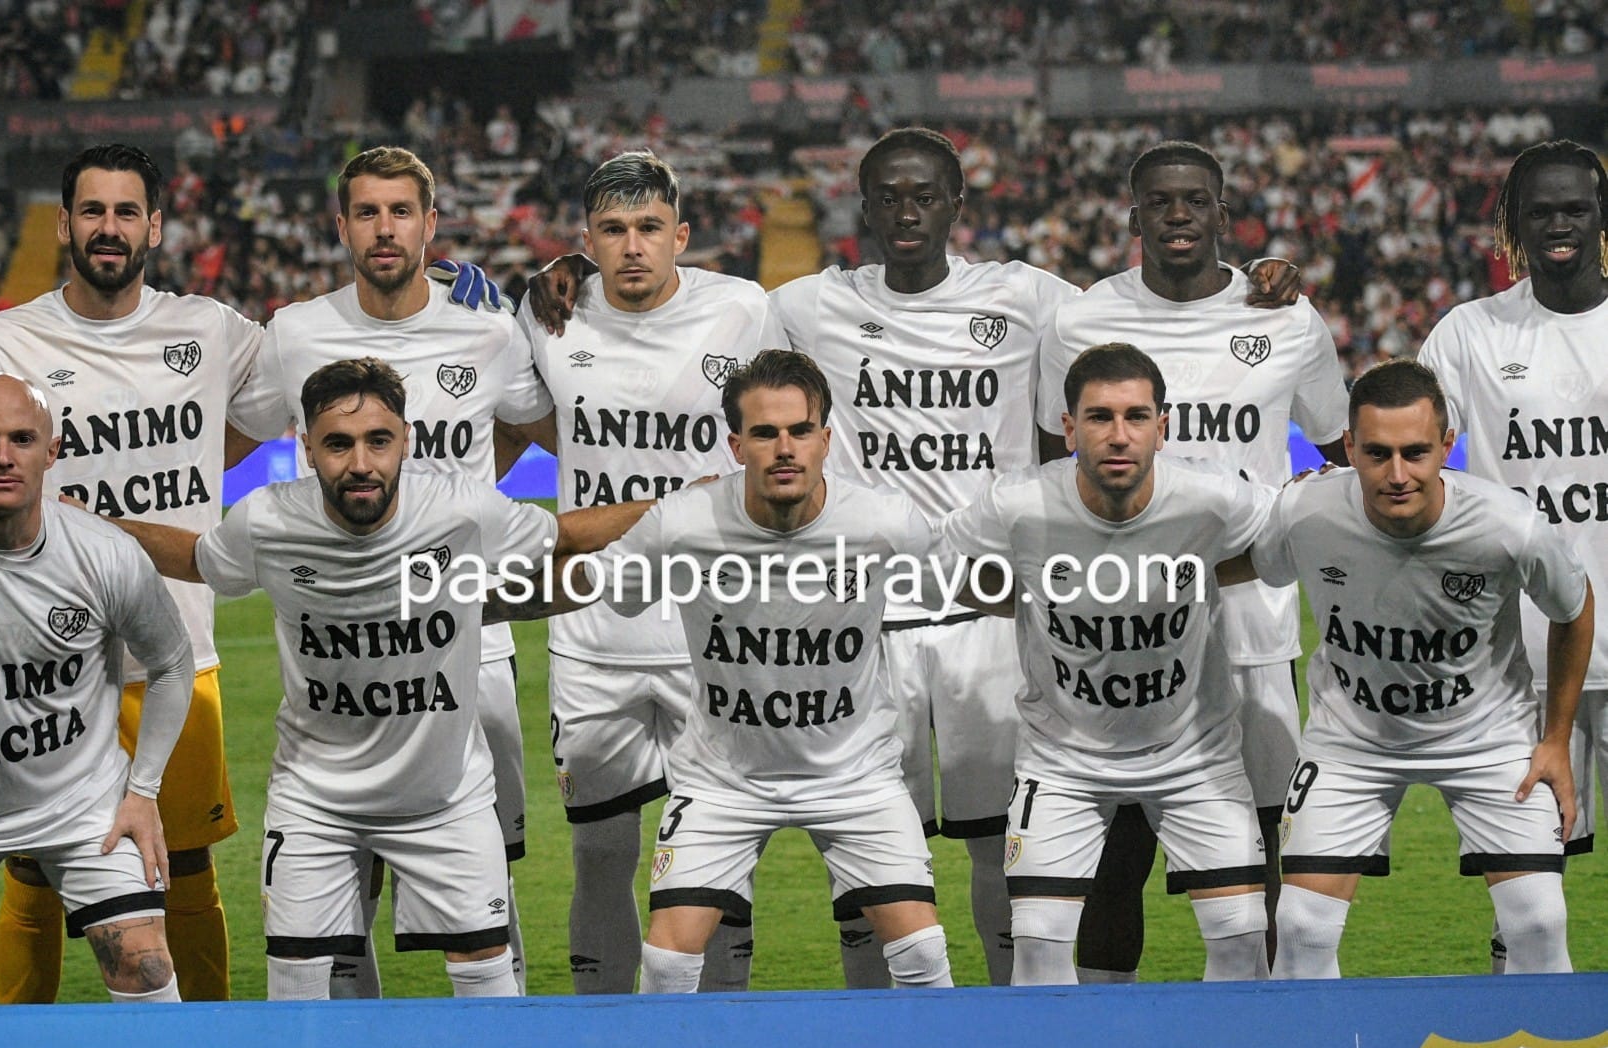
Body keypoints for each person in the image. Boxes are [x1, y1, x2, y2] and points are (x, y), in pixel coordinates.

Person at [526, 127, 1301, 988]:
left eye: (925, 195)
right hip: (876, 609)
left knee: (991, 843)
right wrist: (572, 266)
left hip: (982, 609)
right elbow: (670, 295)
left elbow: (1144, 300)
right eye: (888, 197)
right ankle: (878, 1026)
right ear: (861, 209)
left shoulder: (1030, 297)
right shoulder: (802, 305)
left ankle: (1010, 1022)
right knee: (865, 858)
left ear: (956, 206)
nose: (906, 212)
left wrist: (1247, 286)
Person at [104, 357, 649, 1000]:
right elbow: (194, 558)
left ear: (406, 442)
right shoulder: (267, 521)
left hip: (446, 800)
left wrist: (679, 509)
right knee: (299, 1003)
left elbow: (561, 536)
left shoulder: (460, 509)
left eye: (377, 441)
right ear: (305, 448)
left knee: (490, 994)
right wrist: (83, 525)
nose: (360, 463)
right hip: (317, 805)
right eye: (337, 444)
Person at [490, 349, 955, 993]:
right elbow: (584, 581)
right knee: (668, 965)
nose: (783, 448)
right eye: (764, 433)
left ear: (827, 438)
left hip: (856, 777)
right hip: (722, 783)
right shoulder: (685, 522)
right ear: (736, 445)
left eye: (799, 431)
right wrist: (470, 603)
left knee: (925, 956)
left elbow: (970, 583)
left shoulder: (884, 522)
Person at [241, 145, 553, 996]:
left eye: (401, 211)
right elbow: (242, 434)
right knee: (343, 883)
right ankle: (352, 1044)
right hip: (345, 636)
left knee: (487, 877)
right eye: (368, 213)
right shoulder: (297, 330)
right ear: (342, 227)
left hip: (470, 648)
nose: (386, 228)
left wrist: (466, 499)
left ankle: (499, 1046)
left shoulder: (487, 328)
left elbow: (535, 420)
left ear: (431, 224)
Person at [1034, 141, 1349, 981]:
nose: (1179, 215)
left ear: (1222, 210)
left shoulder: (1283, 315)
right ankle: (1106, 1028)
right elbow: (1047, 459)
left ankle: (1272, 1023)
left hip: (1252, 623)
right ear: (1133, 216)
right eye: (1161, 202)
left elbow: (1339, 448)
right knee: (1118, 847)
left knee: (1262, 836)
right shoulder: (1082, 319)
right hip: (1119, 624)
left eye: (1196, 200)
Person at [0, 144, 269, 1002]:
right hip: (40, 666)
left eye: (125, 212)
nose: (107, 228)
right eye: (91, 211)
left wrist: (197, 473)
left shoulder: (210, 329)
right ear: (67, 222)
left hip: (174, 653)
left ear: (155, 225)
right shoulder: (7, 338)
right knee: (33, 877)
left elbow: (305, 392)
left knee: (181, 870)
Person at [506, 150, 787, 994]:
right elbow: (535, 426)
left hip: (711, 635)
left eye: (650, 229)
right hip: (594, 638)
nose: (633, 247)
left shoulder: (742, 310)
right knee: (599, 851)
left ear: (683, 235)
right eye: (614, 230)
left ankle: (722, 1032)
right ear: (585, 241)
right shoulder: (550, 312)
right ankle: (605, 1035)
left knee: (720, 849)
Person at [1240, 360, 1592, 978]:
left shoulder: (1507, 525)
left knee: (1539, 920)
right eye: (1376, 454)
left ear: (1447, 446)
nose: (1397, 475)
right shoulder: (1305, 511)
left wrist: (1556, 739)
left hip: (1489, 739)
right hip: (1351, 742)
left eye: (1416, 453)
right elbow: (1259, 567)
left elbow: (1574, 605)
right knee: (1298, 926)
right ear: (1347, 446)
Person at [942, 343, 1273, 985]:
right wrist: (1027, 599)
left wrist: (1199, 573)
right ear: (1068, 428)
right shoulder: (1016, 504)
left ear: (1163, 426)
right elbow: (946, 567)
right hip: (1062, 761)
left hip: (1195, 757)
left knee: (1242, 942)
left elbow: (1287, 541)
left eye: (1136, 416)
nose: (1119, 436)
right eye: (1098, 417)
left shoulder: (1211, 500)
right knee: (1036, 949)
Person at [1415, 139, 1608, 973]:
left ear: (1600, 217)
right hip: (1518, 662)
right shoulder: (1469, 334)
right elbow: (1406, 449)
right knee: (1527, 900)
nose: (1559, 226)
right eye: (1541, 211)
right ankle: (1523, 1042)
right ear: (1511, 224)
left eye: (1575, 209)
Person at [0, 372, 192, 1004]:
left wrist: (143, 792)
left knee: (146, 970)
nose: (2, 456)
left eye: (21, 438)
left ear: (51, 452)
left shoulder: (103, 553)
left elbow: (174, 664)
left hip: (85, 804)